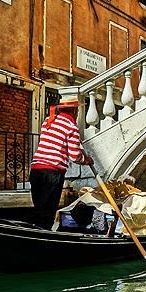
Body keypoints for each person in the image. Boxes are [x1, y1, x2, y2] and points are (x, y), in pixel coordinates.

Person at [29, 96, 93, 229]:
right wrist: (86, 160)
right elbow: (75, 156)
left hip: (36, 169)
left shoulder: (48, 121)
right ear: (74, 110)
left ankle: (37, 236)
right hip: (53, 172)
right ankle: (43, 240)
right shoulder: (71, 126)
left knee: (39, 208)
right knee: (48, 212)